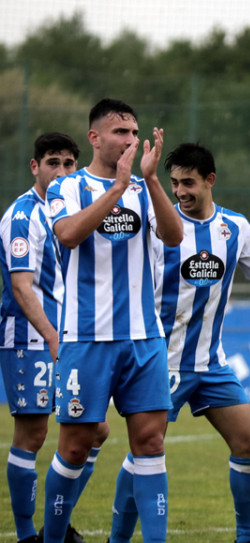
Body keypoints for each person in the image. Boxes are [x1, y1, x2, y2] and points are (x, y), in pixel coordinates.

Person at [105, 142, 250, 543]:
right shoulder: (160, 227)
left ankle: (247, 537)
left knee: (247, 442)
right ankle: (117, 538)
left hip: (211, 363)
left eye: (188, 182)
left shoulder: (235, 227)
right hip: (161, 362)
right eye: (174, 183)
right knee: (144, 452)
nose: (180, 191)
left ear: (210, 181)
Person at [42, 99, 184, 543]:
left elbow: (175, 236)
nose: (130, 139)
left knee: (151, 444)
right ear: (95, 138)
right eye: (120, 132)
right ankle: (53, 537)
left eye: (134, 131)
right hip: (88, 339)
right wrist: (117, 188)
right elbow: (67, 235)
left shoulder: (144, 188)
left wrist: (151, 180)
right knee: (75, 446)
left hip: (145, 339)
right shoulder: (67, 187)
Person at [0, 133, 109, 543]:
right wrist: (50, 336)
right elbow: (22, 287)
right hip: (31, 338)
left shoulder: (74, 211)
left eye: (68, 163)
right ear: (35, 167)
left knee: (95, 431)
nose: (61, 170)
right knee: (33, 434)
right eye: (52, 162)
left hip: (70, 337)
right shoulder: (23, 215)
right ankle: (29, 535)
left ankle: (54, 528)